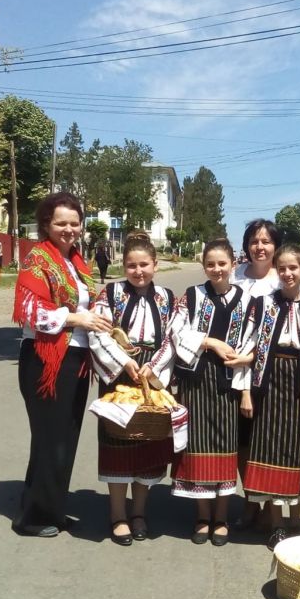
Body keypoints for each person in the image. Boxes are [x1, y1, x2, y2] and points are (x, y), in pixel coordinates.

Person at [11, 191, 107, 537]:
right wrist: (78, 318)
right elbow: (31, 312)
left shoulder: (79, 262)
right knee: (50, 438)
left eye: (74, 223)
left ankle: (52, 508)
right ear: (46, 225)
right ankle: (32, 517)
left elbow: (89, 304)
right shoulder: (37, 259)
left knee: (66, 437)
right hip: (46, 360)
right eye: (60, 223)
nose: (69, 229)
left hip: (77, 359)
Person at [146, 238, 251, 546]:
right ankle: (202, 515)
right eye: (210, 264)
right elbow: (176, 332)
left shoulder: (246, 301)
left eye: (222, 263)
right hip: (195, 383)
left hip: (228, 385)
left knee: (224, 448)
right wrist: (211, 342)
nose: (216, 269)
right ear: (204, 266)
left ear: (233, 264)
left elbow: (250, 342)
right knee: (195, 447)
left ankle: (221, 516)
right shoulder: (192, 296)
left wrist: (244, 384)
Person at [87, 233, 175, 546]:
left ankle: (139, 512)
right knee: (118, 444)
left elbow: (172, 338)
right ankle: (117, 514)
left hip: (152, 376)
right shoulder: (110, 294)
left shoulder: (166, 297)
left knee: (149, 442)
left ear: (155, 265)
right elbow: (98, 335)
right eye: (131, 265)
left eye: (144, 265)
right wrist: (124, 362)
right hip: (119, 376)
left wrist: (155, 368)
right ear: (123, 266)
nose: (138, 271)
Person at [233, 244, 300, 550]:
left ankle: (295, 518)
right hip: (267, 380)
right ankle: (276, 523)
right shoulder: (263, 304)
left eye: (294, 268)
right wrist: (246, 391)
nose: (288, 273)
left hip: (297, 381)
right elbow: (248, 347)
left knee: (297, 450)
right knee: (267, 449)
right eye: (283, 269)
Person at [230, 219, 286, 532]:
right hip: (232, 367)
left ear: (275, 247)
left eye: (266, 241)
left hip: (270, 372)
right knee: (242, 440)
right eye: (254, 241)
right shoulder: (236, 276)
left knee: (267, 439)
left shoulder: (283, 280)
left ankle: (269, 503)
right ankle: (250, 498)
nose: (259, 247)